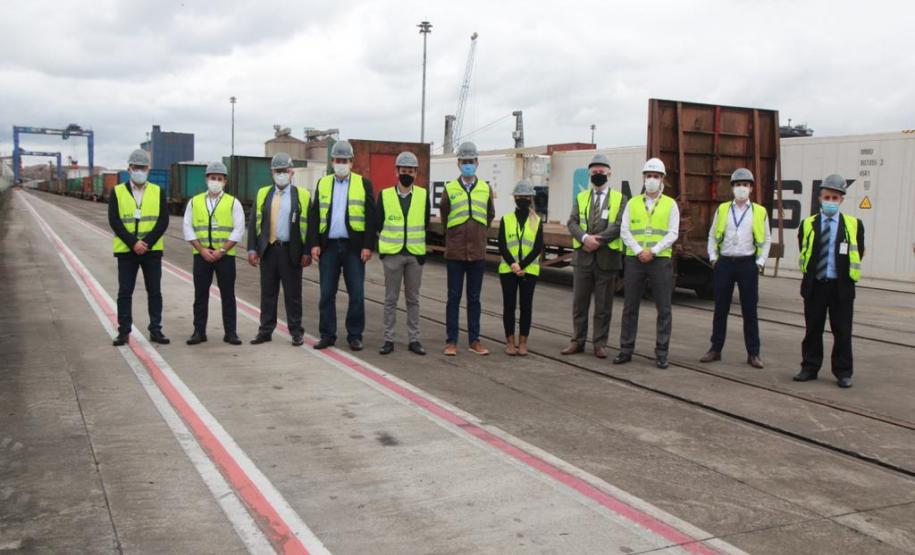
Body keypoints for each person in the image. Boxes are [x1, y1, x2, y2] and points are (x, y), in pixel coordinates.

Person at [794, 174, 864, 388]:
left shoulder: (853, 224)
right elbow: (804, 249)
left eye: (835, 198)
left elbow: (858, 251)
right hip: (816, 285)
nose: (831, 201)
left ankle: (843, 371)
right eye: (827, 197)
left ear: (841, 200)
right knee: (812, 329)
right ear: (820, 198)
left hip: (841, 287)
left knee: (842, 331)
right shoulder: (808, 224)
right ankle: (809, 367)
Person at [308, 140, 376, 351]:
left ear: (351, 162)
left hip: (354, 249)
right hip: (328, 247)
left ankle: (355, 335)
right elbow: (315, 214)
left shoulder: (363, 183)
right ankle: (327, 334)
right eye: (338, 160)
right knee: (327, 294)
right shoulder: (323, 183)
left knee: (356, 294)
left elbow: (371, 217)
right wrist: (314, 244)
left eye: (345, 160)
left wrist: (368, 246)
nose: (341, 164)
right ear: (332, 161)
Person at [701, 168, 772, 368]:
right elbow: (712, 234)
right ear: (732, 187)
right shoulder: (723, 209)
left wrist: (760, 262)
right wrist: (714, 258)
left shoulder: (759, 211)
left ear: (751, 188)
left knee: (750, 310)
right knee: (720, 308)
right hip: (725, 263)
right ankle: (715, 349)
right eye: (738, 184)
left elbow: (766, 239)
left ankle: (753, 353)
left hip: (747, 264)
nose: (742, 188)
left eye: (746, 185)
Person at [614, 158, 679, 369]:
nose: (652, 180)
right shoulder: (632, 203)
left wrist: (653, 251)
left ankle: (662, 353)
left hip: (660, 260)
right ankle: (626, 349)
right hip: (635, 259)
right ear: (644, 178)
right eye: (649, 176)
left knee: (664, 308)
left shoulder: (670, 204)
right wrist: (639, 251)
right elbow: (625, 230)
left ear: (662, 180)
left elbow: (672, 233)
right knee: (630, 307)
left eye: (656, 176)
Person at [561, 153, 626, 359]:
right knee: (579, 304)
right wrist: (585, 238)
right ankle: (577, 341)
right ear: (589, 174)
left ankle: (600, 344)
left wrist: (597, 240)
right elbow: (571, 222)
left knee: (603, 306)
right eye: (594, 171)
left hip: (607, 260)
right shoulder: (581, 197)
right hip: (583, 259)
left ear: (609, 173)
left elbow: (619, 225)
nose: (598, 174)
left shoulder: (620, 198)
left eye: (601, 171)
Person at [247, 152, 311, 346]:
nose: (281, 174)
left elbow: (310, 225)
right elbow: (253, 223)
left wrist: (307, 251)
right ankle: (265, 330)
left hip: (291, 251)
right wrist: (252, 248)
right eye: (277, 171)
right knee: (268, 293)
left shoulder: (302, 195)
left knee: (293, 295)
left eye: (284, 171)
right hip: (269, 250)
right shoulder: (263, 194)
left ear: (292, 172)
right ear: (272, 173)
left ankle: (296, 331)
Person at [108, 149, 170, 346]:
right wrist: (133, 243)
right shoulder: (117, 192)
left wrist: (147, 243)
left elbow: (163, 221)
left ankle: (156, 330)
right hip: (127, 251)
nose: (139, 171)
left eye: (143, 167)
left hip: (151, 251)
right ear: (129, 168)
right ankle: (123, 331)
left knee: (155, 291)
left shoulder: (158, 191)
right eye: (136, 167)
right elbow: (115, 221)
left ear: (148, 169)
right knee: (125, 292)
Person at [439, 141, 495, 356]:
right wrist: (455, 235)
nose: (468, 165)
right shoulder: (450, 188)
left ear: (477, 162)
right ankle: (451, 341)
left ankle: (475, 341)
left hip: (477, 253)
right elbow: (445, 216)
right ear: (459, 163)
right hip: (455, 252)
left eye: (471, 161)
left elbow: (489, 215)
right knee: (453, 298)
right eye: (465, 162)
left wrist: (478, 234)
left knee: (474, 299)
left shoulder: (485, 188)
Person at [183, 161, 246, 345]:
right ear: (206, 179)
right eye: (212, 178)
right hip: (201, 256)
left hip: (225, 257)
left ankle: (231, 333)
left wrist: (222, 250)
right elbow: (188, 228)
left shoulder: (233, 203)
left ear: (225, 181)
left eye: (219, 178)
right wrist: (201, 250)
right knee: (200, 295)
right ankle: (199, 331)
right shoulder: (194, 202)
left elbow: (238, 230)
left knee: (228, 295)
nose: (215, 181)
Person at [377, 151, 430, 356]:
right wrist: (385, 251)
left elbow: (424, 222)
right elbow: (378, 223)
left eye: (411, 171)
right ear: (396, 172)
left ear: (416, 173)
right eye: (403, 170)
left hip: (414, 256)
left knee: (413, 299)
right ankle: (388, 339)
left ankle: (414, 339)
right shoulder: (385, 195)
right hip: (392, 256)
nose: (407, 174)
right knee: (390, 299)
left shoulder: (423, 196)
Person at [498, 180, 544, 356]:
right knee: (508, 306)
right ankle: (510, 342)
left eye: (526, 196)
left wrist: (522, 265)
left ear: (531, 198)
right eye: (520, 196)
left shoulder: (537, 221)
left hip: (529, 270)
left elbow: (537, 247)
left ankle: (523, 342)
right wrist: (513, 265)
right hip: (508, 270)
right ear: (515, 198)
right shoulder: (506, 219)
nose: (523, 199)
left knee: (526, 306)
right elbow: (502, 245)